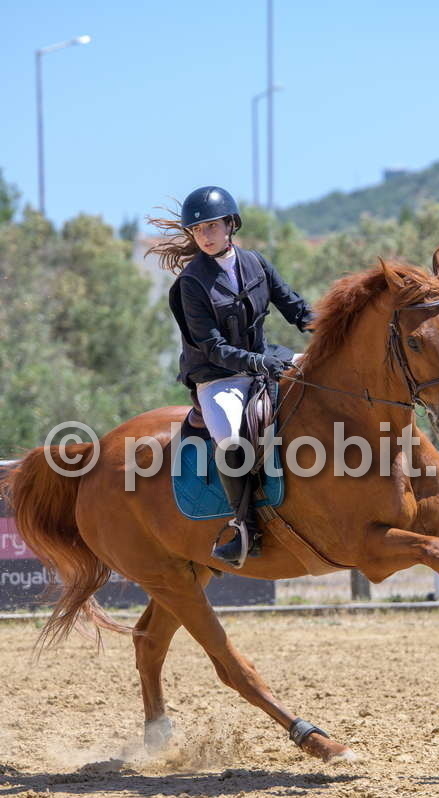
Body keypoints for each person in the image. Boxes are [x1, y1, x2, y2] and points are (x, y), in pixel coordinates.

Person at [147, 186, 314, 568]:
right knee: (229, 437)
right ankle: (244, 527)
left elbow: (296, 309)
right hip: (219, 377)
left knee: (326, 375)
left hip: (266, 360)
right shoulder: (191, 283)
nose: (205, 236)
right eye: (197, 230)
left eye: (211, 227)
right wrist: (259, 364)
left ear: (230, 225)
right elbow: (213, 347)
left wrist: (337, 327)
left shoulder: (255, 263)